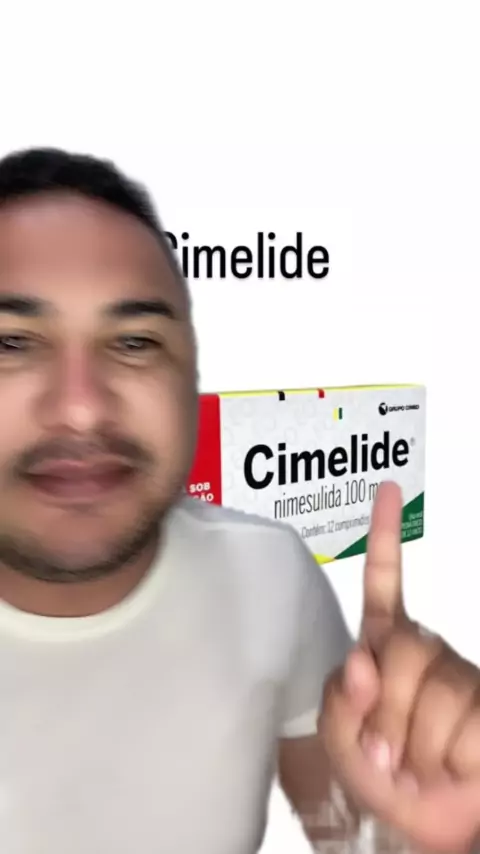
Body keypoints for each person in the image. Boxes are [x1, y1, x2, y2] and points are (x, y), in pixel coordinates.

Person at [0, 147, 477, 854]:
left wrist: (435, 834)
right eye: (11, 343)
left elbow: (352, 836)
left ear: (190, 381)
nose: (81, 408)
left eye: (134, 342)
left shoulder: (268, 576)